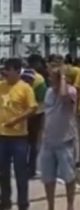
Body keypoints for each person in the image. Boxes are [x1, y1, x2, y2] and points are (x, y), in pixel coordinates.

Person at [0, 58, 37, 210]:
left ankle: (23, 203)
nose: (5, 73)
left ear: (17, 71)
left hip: (19, 138)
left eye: (8, 70)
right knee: (3, 173)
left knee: (20, 172)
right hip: (2, 137)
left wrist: (16, 120)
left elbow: (32, 108)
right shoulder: (1, 86)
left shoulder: (25, 88)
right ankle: (5, 202)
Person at [40, 65, 77, 210]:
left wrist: (62, 76)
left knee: (69, 176)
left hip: (65, 141)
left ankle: (70, 205)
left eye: (53, 77)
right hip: (49, 141)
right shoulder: (48, 92)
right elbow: (46, 113)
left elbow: (63, 96)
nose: (50, 80)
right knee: (48, 177)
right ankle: (51, 206)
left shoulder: (70, 91)